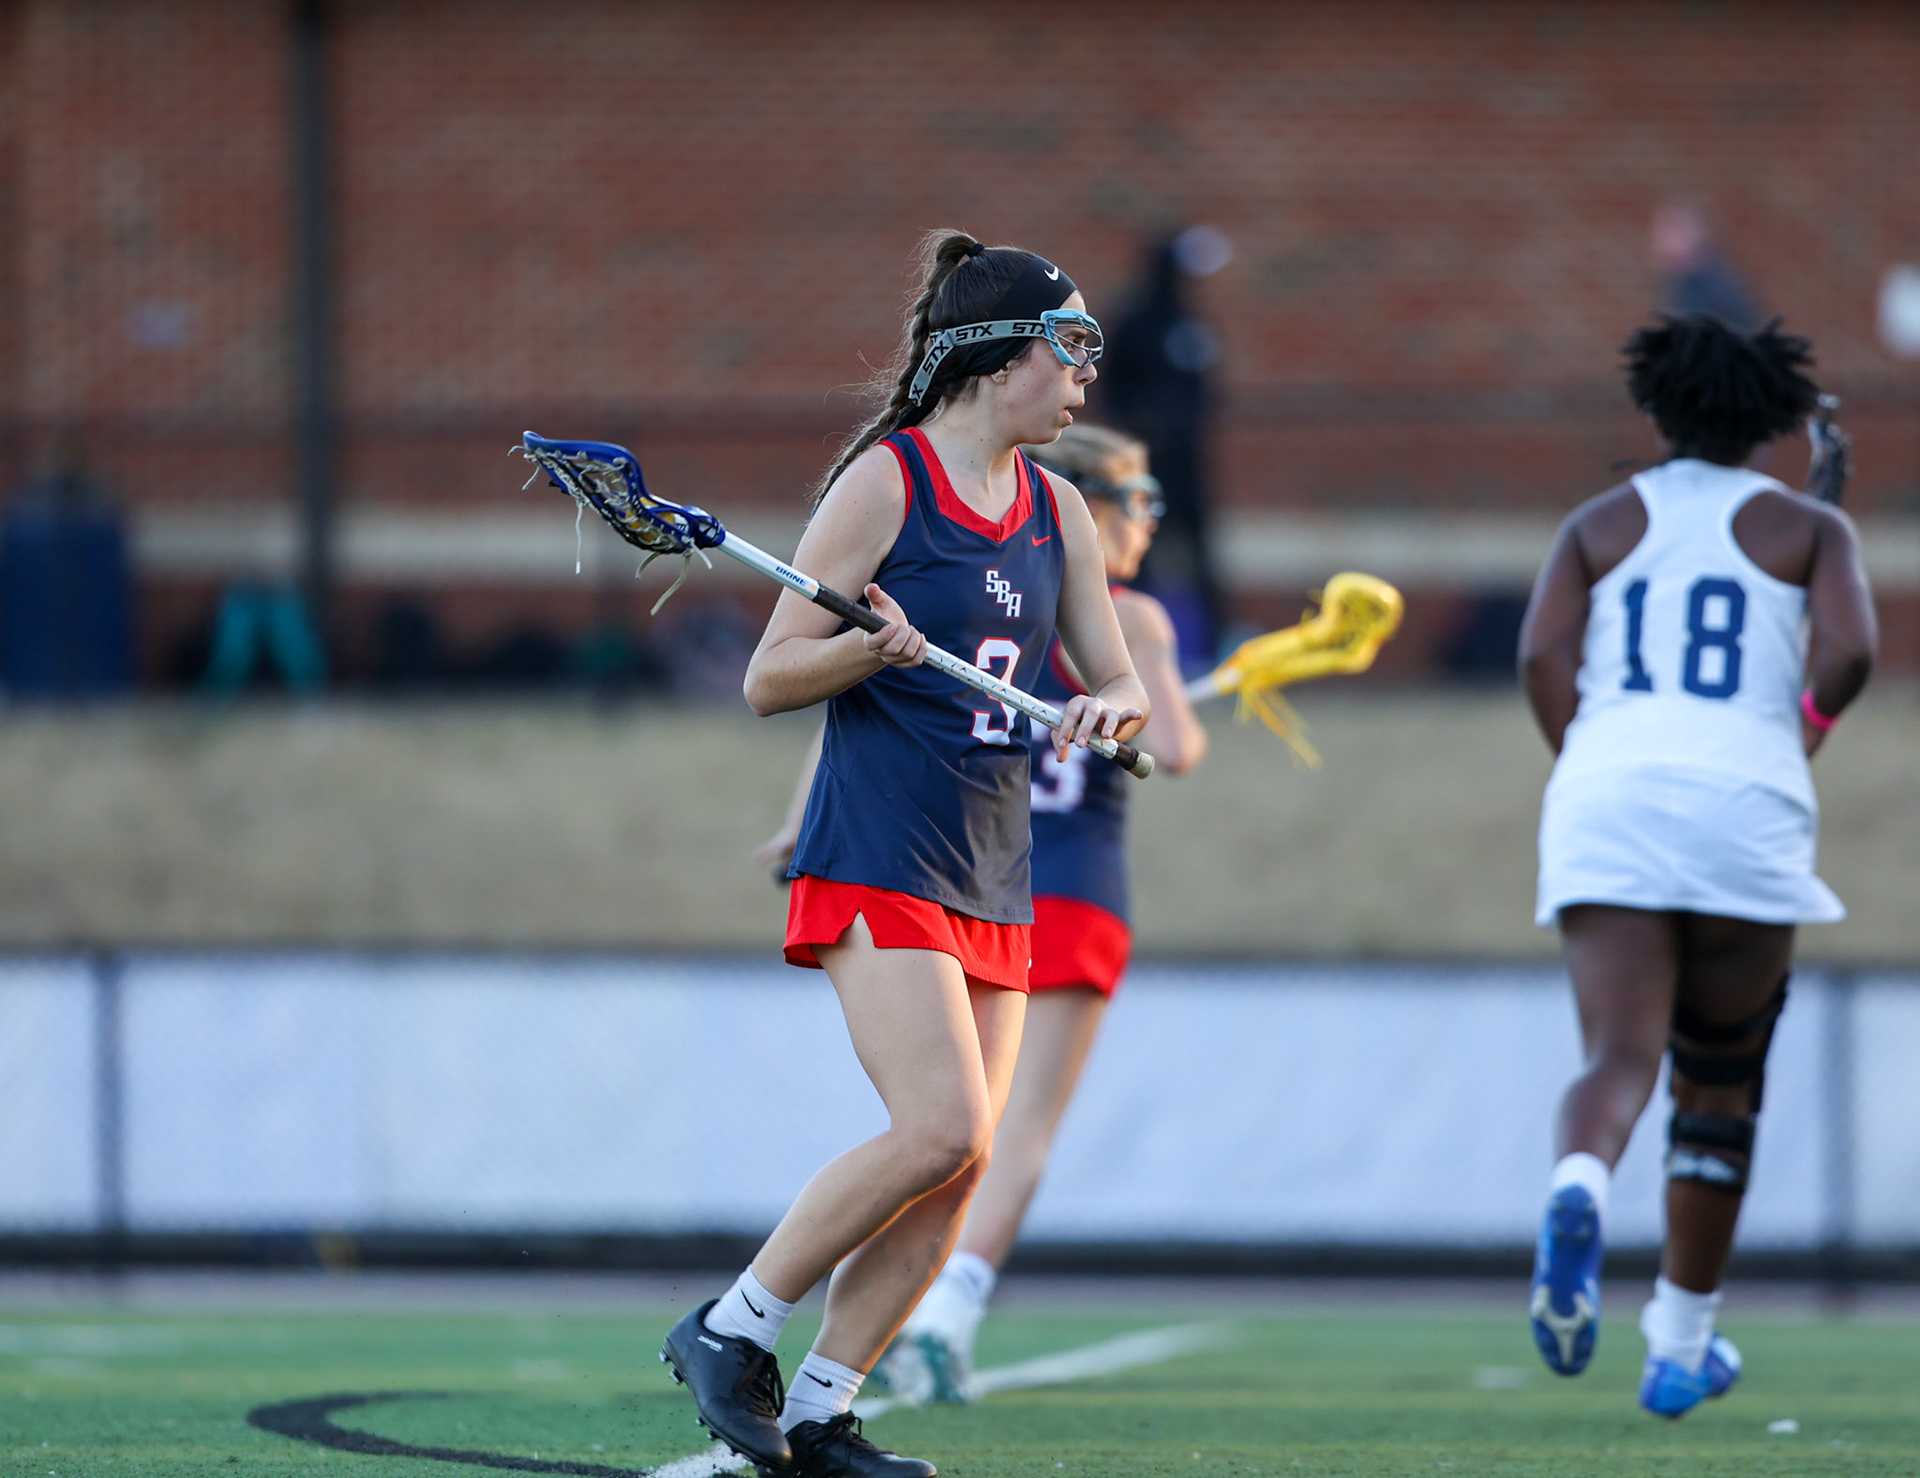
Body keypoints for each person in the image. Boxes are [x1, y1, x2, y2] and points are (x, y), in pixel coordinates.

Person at [663, 231, 1148, 1478]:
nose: (1086, 371)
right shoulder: (890, 482)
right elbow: (773, 678)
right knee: (937, 1123)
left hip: (995, 860)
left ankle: (822, 1408)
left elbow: (1118, 672)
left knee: (967, 1155)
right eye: (1069, 344)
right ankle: (735, 1324)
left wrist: (1114, 706)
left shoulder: (1061, 511)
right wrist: (866, 650)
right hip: (880, 845)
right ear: (995, 358)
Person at [758, 425, 1209, 1404]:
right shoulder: (1125, 613)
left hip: (994, 870)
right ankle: (931, 1305)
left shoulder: (1002, 593)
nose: (1146, 523)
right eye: (1141, 502)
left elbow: (866, 715)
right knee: (988, 1129)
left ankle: (829, 1379)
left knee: (951, 1135)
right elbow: (1176, 747)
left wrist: (795, 823)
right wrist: (1157, 689)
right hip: (1065, 883)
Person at [1518, 313, 1876, 1418]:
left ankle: (1579, 1181)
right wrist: (1798, 727)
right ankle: (1680, 1340)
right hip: (1748, 799)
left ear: (1656, 406)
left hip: (1609, 790)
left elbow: (1541, 651)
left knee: (1619, 1056)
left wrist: (1587, 756)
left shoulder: (1598, 520)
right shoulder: (1807, 526)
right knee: (1719, 1083)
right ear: (1770, 415)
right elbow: (1851, 648)